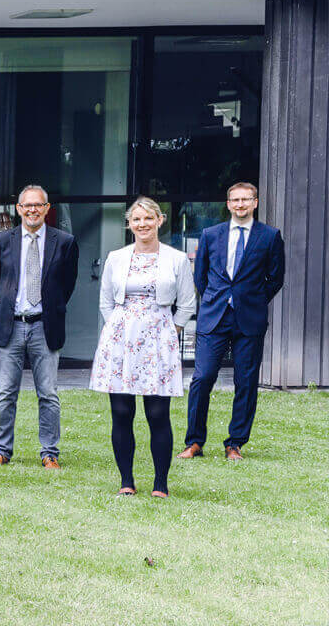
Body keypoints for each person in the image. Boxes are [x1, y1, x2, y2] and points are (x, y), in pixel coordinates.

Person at [92, 197, 197, 497]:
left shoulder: (176, 259)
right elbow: (105, 301)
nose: (142, 224)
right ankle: (127, 481)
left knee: (157, 413)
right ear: (129, 223)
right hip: (121, 340)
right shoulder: (117, 257)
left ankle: (160, 484)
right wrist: (119, 328)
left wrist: (168, 330)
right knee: (122, 411)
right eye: (136, 219)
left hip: (158, 339)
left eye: (148, 219)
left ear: (160, 220)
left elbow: (188, 303)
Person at [183, 181, 286, 461]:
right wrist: (219, 299)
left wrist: (251, 299)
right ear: (228, 204)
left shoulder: (270, 236)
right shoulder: (210, 234)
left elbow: (275, 278)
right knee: (202, 378)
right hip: (214, 317)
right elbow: (200, 277)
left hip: (249, 319)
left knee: (246, 381)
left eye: (246, 199)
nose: (240, 204)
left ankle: (235, 443)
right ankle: (194, 442)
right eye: (235, 200)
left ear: (255, 202)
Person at [0, 185, 79, 469]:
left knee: (48, 393)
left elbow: (67, 284)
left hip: (44, 326)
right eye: (27, 205)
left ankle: (49, 452)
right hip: (10, 325)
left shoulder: (64, 241)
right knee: (5, 392)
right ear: (19, 209)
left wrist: (50, 308)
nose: (32, 210)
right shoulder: (3, 240)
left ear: (47, 209)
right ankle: (2, 450)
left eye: (38, 205)